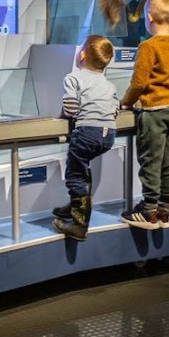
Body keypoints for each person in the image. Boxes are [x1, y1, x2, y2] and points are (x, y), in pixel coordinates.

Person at [120, 0, 169, 230]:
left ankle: (148, 211)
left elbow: (139, 83)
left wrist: (126, 102)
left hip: (155, 111)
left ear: (149, 17)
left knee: (151, 161)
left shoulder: (147, 46)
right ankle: (164, 211)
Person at [52, 35, 118, 241]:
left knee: (75, 175)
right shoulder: (109, 84)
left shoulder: (73, 78)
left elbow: (71, 109)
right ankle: (75, 206)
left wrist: (61, 117)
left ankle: (79, 225)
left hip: (87, 132)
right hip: (108, 134)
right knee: (83, 168)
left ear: (81, 55)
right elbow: (115, 109)